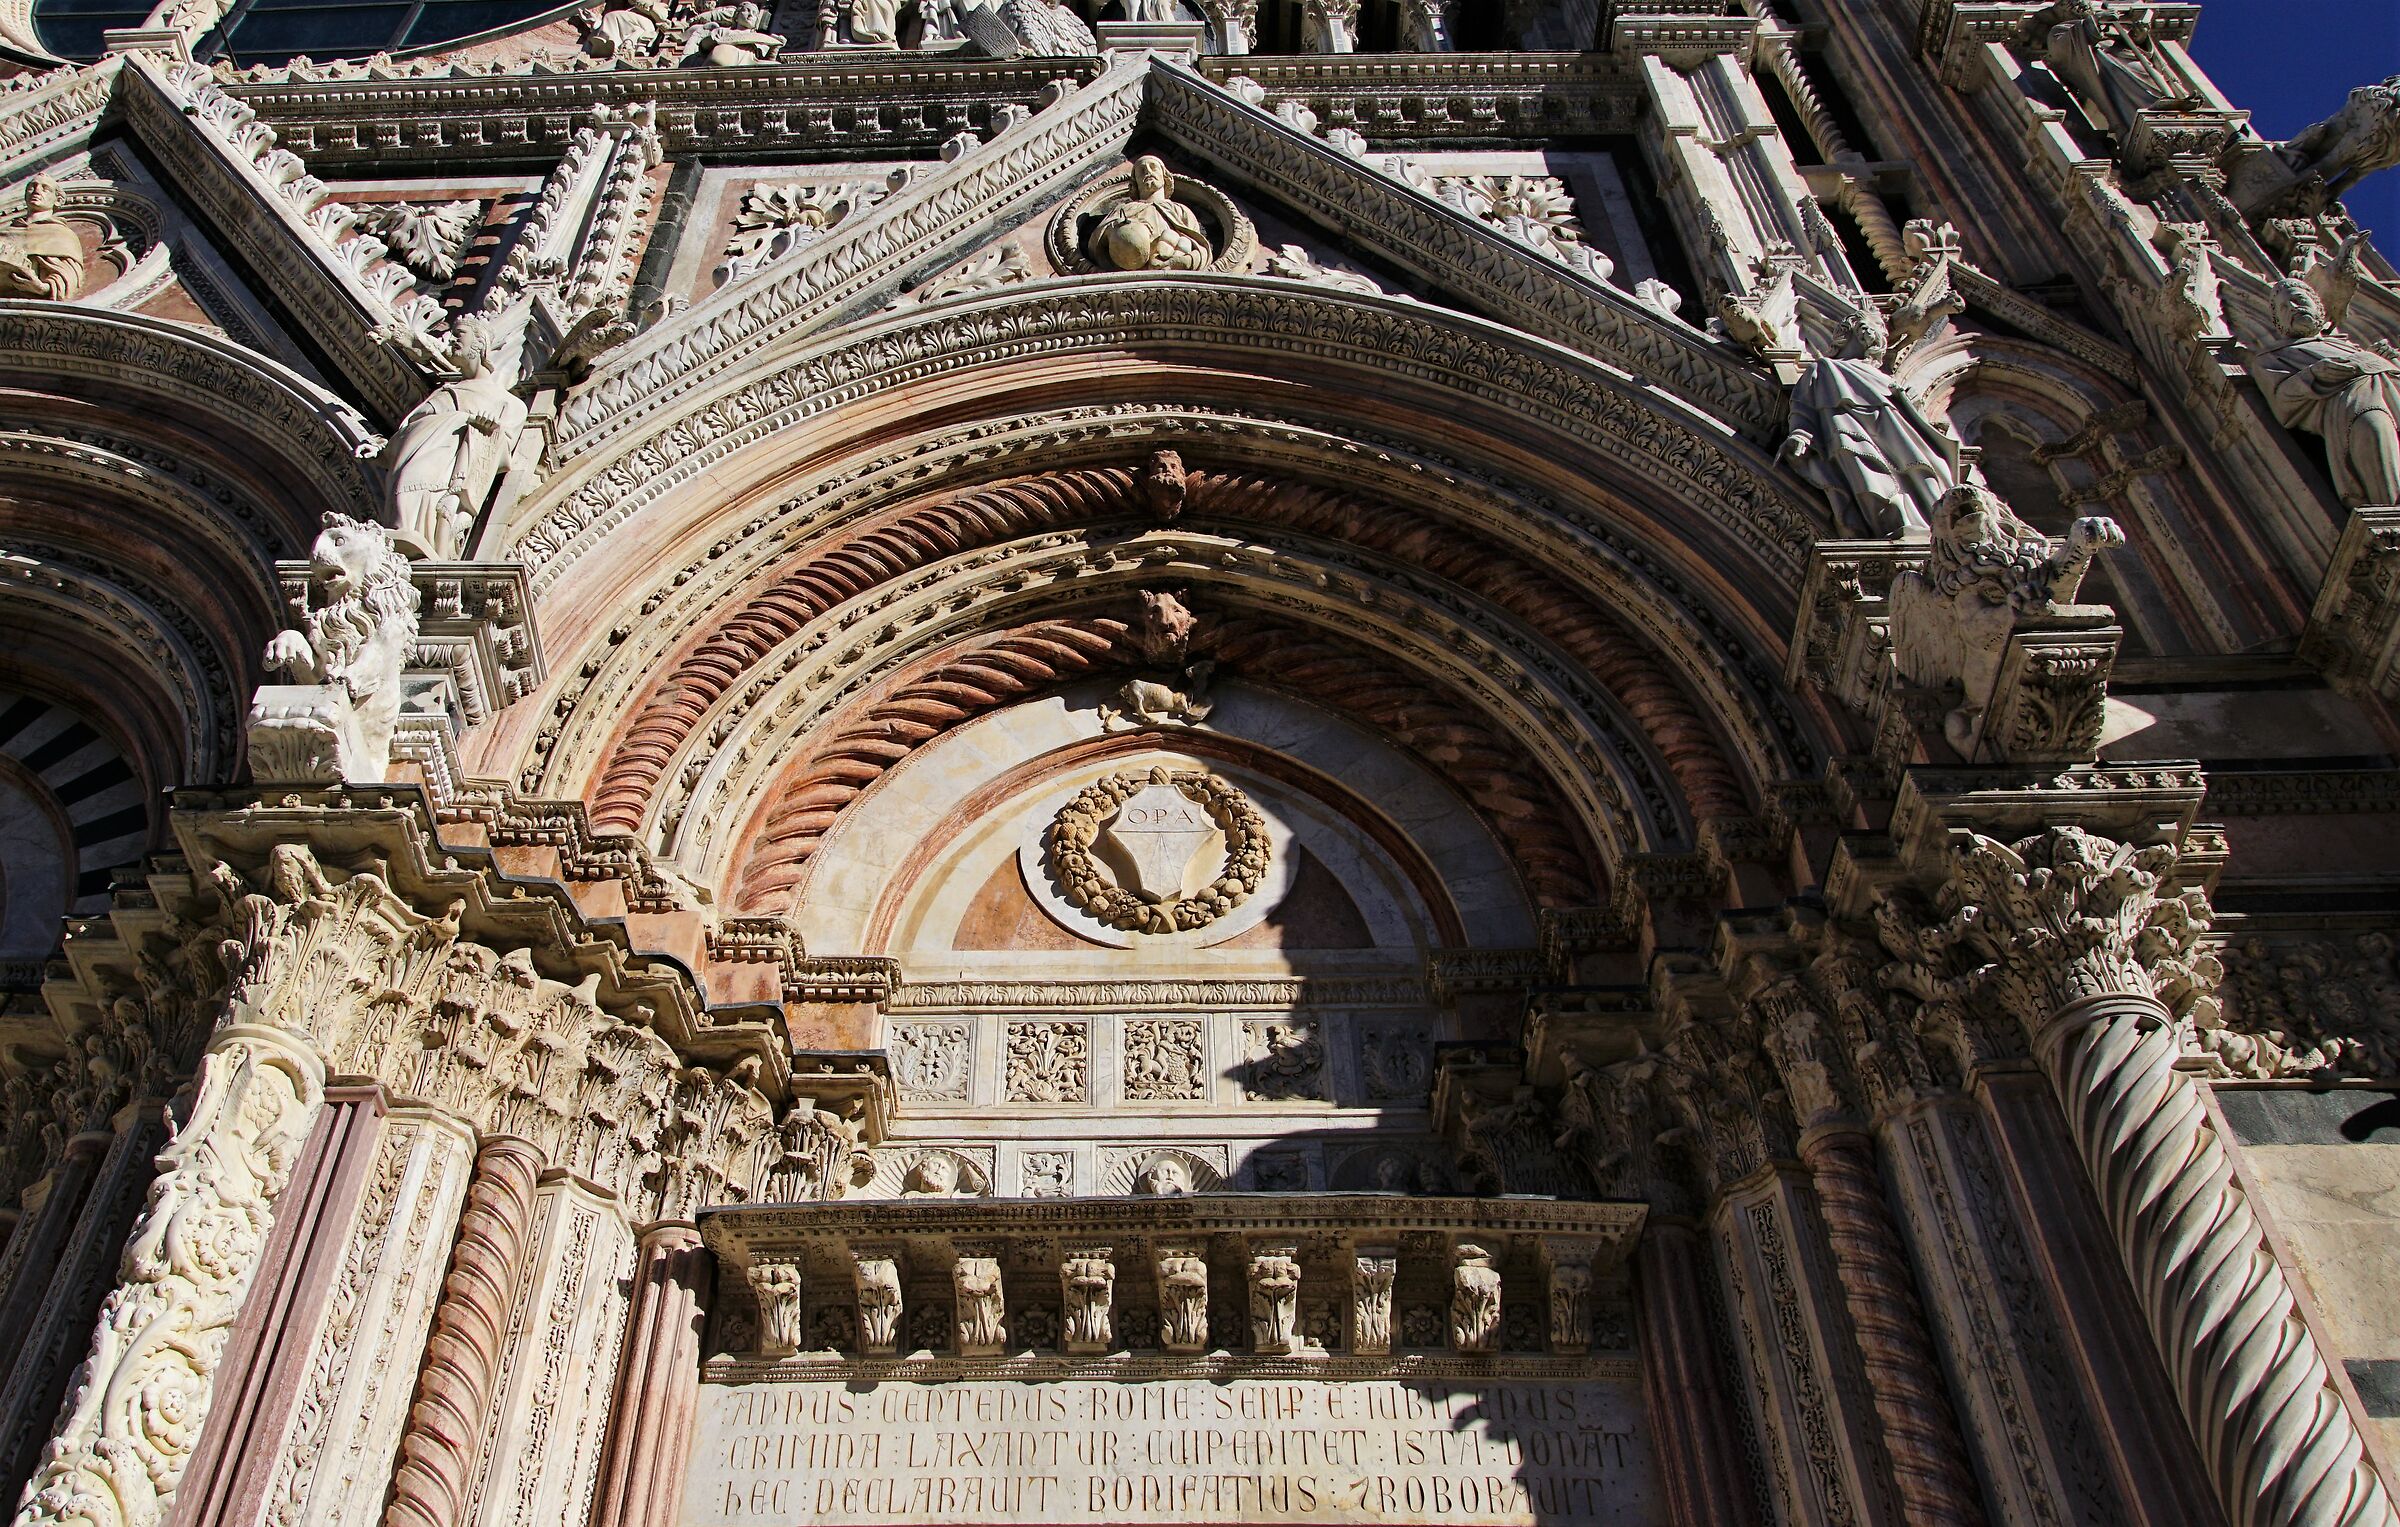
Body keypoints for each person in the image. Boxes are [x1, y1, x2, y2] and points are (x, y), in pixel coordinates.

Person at [1779, 307, 1960, 536]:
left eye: (1878, 330)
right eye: (1867, 325)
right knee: (1872, 486)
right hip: (1849, 431)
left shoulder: (1882, 376)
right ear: (1849, 332)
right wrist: (1800, 435)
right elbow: (1802, 407)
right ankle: (1894, 526)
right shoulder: (1824, 368)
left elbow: (1910, 411)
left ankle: (1939, 525)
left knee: (1926, 469)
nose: (1874, 332)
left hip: (1896, 430)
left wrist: (1909, 403)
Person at [1088, 155, 1211, 272]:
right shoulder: (1124, 210)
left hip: (1171, 262)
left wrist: (1183, 260)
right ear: (1135, 182)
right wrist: (1117, 229)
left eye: (1153, 167)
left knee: (1180, 243)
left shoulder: (1180, 210)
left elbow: (1199, 247)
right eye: (1141, 170)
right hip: (1131, 269)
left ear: (1164, 176)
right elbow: (1097, 242)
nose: (1148, 172)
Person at [0, 175, 85, 301]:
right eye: (31, 187)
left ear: (57, 200)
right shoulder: (5, 232)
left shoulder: (62, 235)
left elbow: (70, 275)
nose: (37, 191)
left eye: (45, 189)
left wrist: (42, 287)